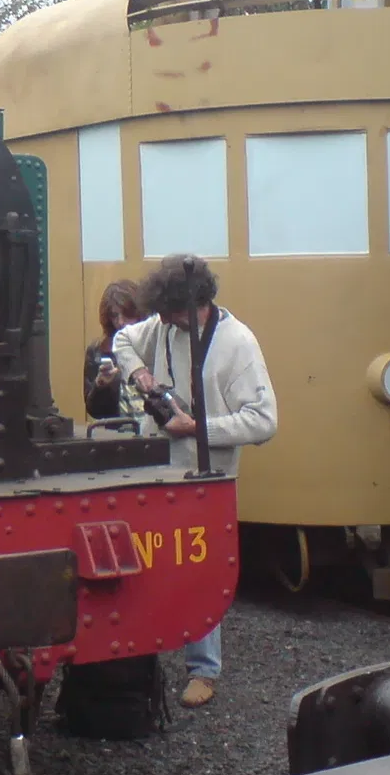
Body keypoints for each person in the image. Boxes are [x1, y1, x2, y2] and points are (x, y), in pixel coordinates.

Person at [113, 254, 277, 710]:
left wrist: (198, 428)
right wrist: (139, 373)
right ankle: (143, 657)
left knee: (199, 572)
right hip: (159, 469)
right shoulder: (164, 326)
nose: (163, 323)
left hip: (207, 480)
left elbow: (264, 422)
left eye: (170, 315)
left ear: (198, 304)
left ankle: (203, 670)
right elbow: (125, 340)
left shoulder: (237, 344)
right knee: (147, 561)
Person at [84, 279, 142, 418]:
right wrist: (101, 386)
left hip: (155, 432)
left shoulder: (154, 342)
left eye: (127, 314)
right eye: (114, 316)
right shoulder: (98, 350)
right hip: (118, 431)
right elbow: (95, 411)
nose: (121, 322)